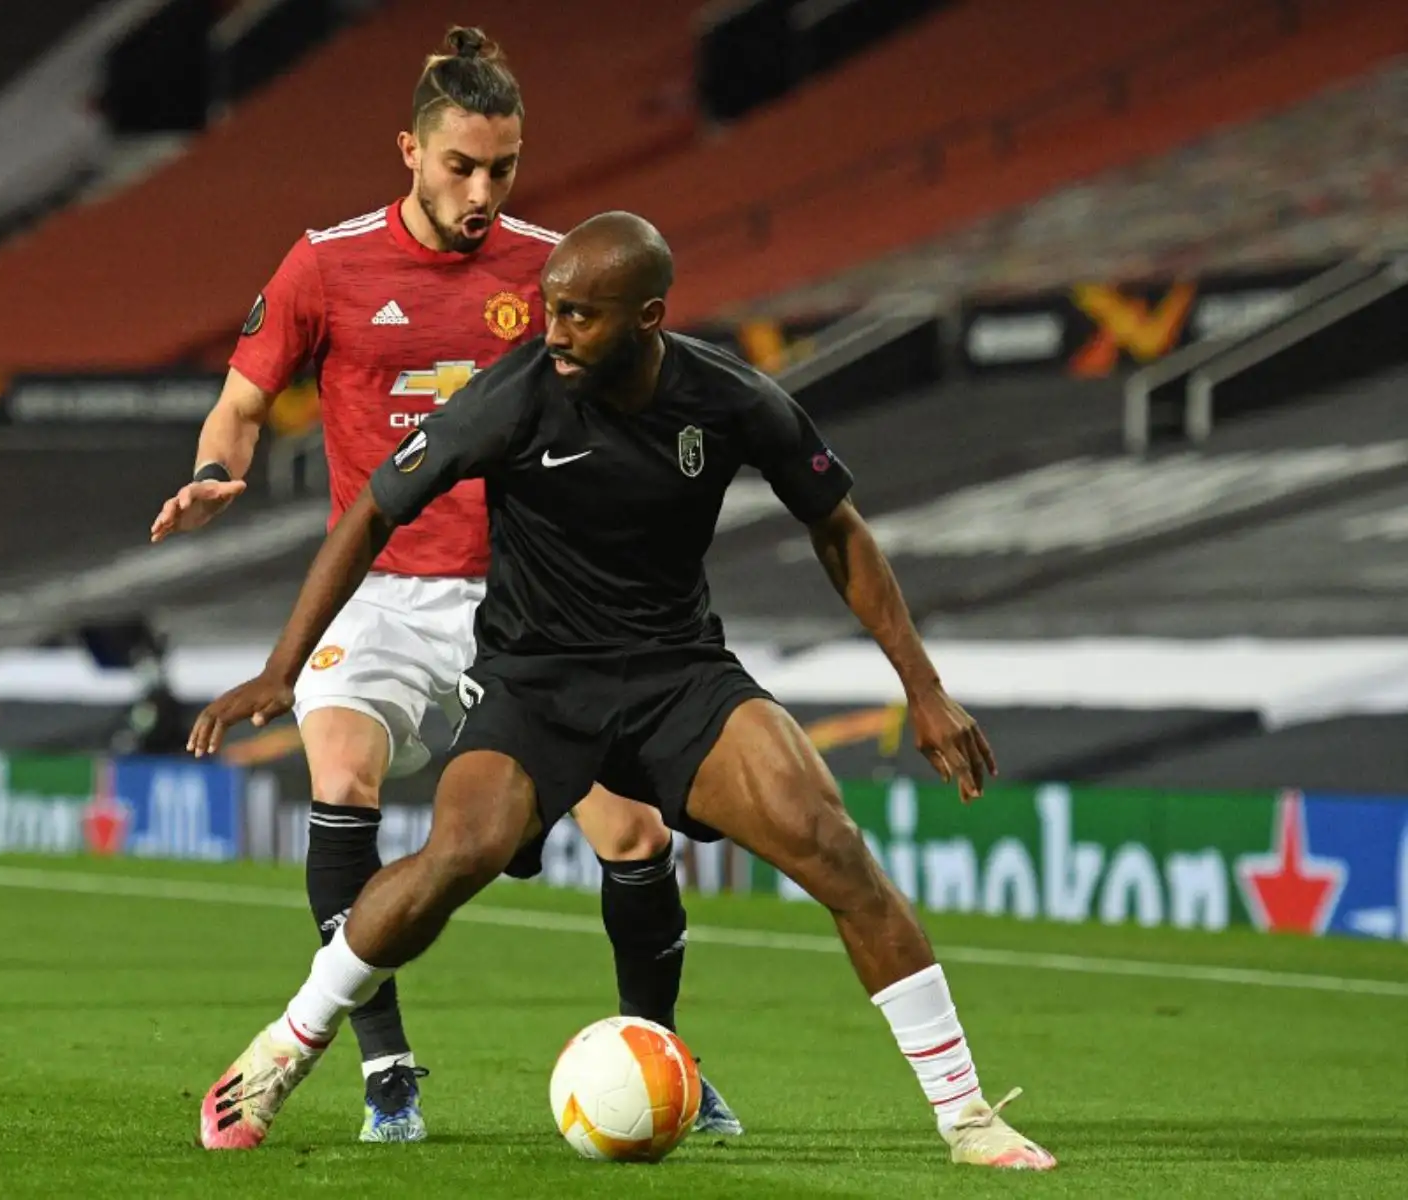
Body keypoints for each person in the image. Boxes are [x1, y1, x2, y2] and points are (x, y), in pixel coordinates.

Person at [189, 211, 1058, 1170]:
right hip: (538, 681)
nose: (552, 332)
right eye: (552, 309)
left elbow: (839, 529)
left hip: (677, 675)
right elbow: (369, 516)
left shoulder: (730, 397)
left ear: (648, 317)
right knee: (458, 854)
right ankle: (282, 1050)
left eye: (579, 316)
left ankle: (968, 1116)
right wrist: (282, 667)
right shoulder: (509, 396)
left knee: (832, 845)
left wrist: (924, 690)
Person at [149, 29, 741, 1144]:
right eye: (461, 166)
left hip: (527, 604)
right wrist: (214, 470)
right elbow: (240, 397)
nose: (483, 191)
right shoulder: (325, 263)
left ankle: (661, 1061)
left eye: (503, 169)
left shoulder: (558, 270)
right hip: (375, 593)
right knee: (341, 771)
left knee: (634, 840)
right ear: (409, 151)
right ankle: (386, 1070)